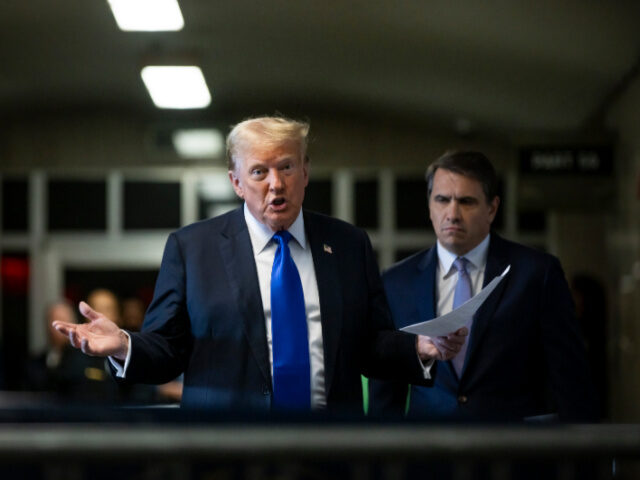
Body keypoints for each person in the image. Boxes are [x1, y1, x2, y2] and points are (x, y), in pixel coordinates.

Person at [53, 116, 467, 413]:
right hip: (226, 448)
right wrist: (125, 344)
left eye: (286, 167)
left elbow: (367, 345)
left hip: (329, 447)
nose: (276, 183)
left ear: (305, 172)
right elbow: (168, 349)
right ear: (236, 182)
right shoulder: (192, 248)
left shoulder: (348, 244)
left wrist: (418, 347)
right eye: (259, 171)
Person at [369, 151, 597, 422]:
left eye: (466, 201)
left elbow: (570, 380)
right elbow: (385, 388)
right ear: (430, 206)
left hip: (511, 452)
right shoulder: (397, 281)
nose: (452, 214)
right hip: (428, 453)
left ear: (492, 208)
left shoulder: (537, 273)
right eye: (442, 200)